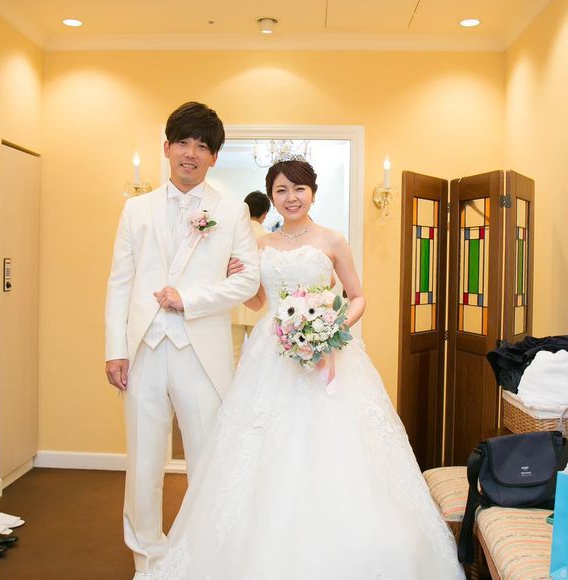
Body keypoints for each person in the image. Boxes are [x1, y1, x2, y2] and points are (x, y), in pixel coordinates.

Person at [149, 158, 465, 579]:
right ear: (272, 197)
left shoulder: (332, 239)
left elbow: (357, 296)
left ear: (312, 192)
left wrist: (331, 326)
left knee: (337, 443)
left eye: (298, 189)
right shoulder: (260, 245)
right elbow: (258, 303)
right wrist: (231, 274)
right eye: (281, 190)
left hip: (327, 354)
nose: (291, 197)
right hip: (271, 354)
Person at [104, 101, 260, 578]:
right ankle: (148, 559)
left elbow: (248, 282)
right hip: (143, 352)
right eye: (183, 143)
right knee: (143, 464)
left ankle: (204, 557)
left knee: (208, 462)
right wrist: (115, 350)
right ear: (166, 147)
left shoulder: (231, 211)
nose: (191, 153)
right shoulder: (136, 209)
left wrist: (188, 298)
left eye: (202, 146)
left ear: (214, 157)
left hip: (202, 354)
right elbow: (119, 283)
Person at [230, 190, 270, 365]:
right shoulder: (268, 237)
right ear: (265, 214)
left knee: (232, 356)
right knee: (257, 358)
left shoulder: (233, 234)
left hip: (233, 302)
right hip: (259, 303)